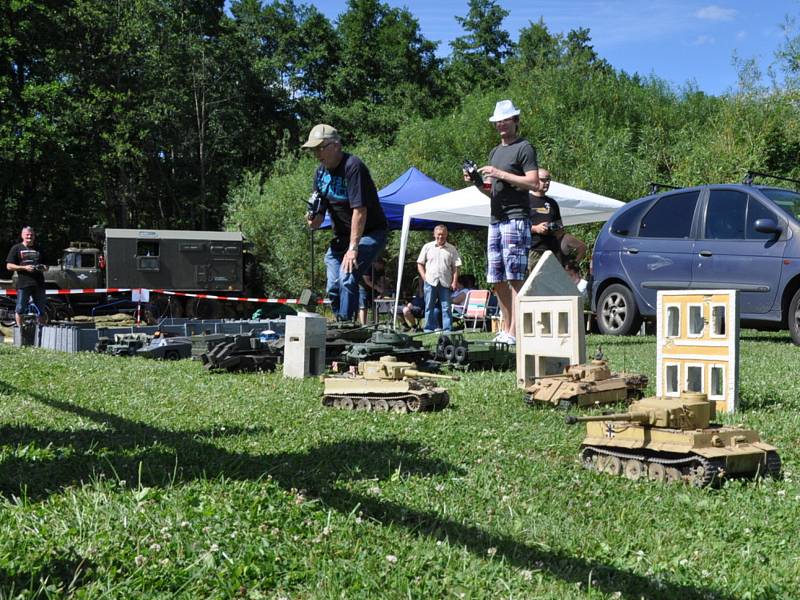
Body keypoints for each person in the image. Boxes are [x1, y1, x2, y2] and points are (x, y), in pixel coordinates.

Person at [467, 99, 540, 345]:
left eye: (505, 120)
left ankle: (515, 333)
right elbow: (493, 192)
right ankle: (507, 329)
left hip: (516, 218)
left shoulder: (524, 147)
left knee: (515, 276)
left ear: (515, 121)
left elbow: (533, 182)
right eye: (498, 121)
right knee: (497, 279)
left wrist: (499, 173)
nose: (501, 124)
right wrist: (477, 182)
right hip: (496, 219)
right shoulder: (495, 152)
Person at [303, 124, 388, 321]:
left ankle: (347, 328)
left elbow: (360, 211)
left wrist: (353, 248)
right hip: (342, 237)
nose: (317, 154)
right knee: (333, 286)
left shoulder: (353, 166)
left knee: (347, 278)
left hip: (370, 233)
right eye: (314, 150)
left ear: (336, 145)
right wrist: (313, 218)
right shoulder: (320, 173)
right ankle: (341, 322)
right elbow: (318, 217)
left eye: (320, 148)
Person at [417, 224, 461, 333]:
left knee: (446, 307)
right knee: (428, 306)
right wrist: (425, 277)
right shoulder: (427, 247)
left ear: (446, 235)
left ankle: (447, 329)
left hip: (445, 282)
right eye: (438, 235)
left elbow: (456, 267)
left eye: (442, 235)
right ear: (434, 234)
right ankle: (428, 329)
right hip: (430, 281)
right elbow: (419, 263)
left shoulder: (452, 249)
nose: (440, 237)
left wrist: (454, 281)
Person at [6, 226, 48, 326]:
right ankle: (21, 331)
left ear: (34, 236)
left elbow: (47, 266)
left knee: (41, 310)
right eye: (27, 235)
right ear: (22, 236)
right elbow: (9, 266)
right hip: (24, 284)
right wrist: (24, 268)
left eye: (31, 235)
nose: (29, 236)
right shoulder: (16, 248)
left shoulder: (40, 248)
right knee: (20, 309)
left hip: (39, 284)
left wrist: (43, 267)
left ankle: (41, 332)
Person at [528, 168, 563, 270]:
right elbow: (518, 226)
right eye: (543, 180)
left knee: (552, 283)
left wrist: (555, 229)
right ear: (535, 180)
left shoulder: (553, 203)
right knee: (533, 284)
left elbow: (560, 227)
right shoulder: (526, 201)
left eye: (548, 180)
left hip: (552, 252)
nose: (547, 183)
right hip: (533, 250)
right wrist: (536, 228)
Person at [358, 257, 389, 325]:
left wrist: (382, 291)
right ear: (376, 263)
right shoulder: (367, 267)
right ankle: (363, 324)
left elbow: (382, 281)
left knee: (375, 305)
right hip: (363, 287)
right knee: (363, 306)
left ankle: (376, 323)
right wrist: (378, 288)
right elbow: (367, 281)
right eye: (381, 265)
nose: (382, 267)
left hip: (373, 288)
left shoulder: (381, 269)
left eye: (383, 266)